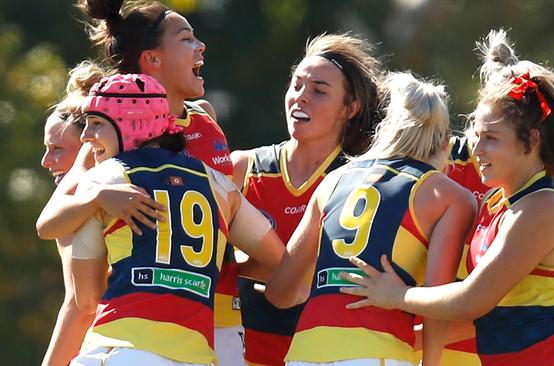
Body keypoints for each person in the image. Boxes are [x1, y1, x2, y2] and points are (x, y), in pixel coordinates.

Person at [340, 29, 554, 366]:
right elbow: (484, 317)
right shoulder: (498, 205)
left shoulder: (543, 207)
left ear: (531, 140)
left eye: (490, 138)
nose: (475, 150)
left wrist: (396, 296)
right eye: (476, 136)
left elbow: (472, 301)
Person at [36, 1, 245, 362]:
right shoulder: (109, 144)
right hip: (142, 331)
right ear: (152, 59)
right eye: (187, 39)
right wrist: (99, 195)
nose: (201, 46)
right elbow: (54, 234)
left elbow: (234, 222)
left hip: (219, 319)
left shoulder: (205, 117)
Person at [67, 73, 285, 365]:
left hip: (122, 346)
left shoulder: (104, 180)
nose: (85, 136)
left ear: (130, 123)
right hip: (197, 354)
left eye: (96, 124)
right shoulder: (219, 184)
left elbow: (87, 299)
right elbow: (280, 261)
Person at [265, 71, 476, 366]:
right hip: (378, 352)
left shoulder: (333, 180)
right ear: (444, 143)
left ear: (385, 125)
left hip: (304, 352)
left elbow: (279, 291)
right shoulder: (450, 195)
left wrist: (322, 290)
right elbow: (435, 303)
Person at [230, 33, 384, 366]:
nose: (301, 98)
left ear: (350, 108)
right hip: (236, 352)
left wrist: (266, 262)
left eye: (319, 91)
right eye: (296, 85)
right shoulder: (243, 167)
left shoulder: (362, 181)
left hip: (321, 355)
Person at [40, 61, 105, 366]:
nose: (45, 161)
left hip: (112, 344)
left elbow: (80, 308)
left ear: (86, 146)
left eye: (56, 149)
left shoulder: (74, 209)